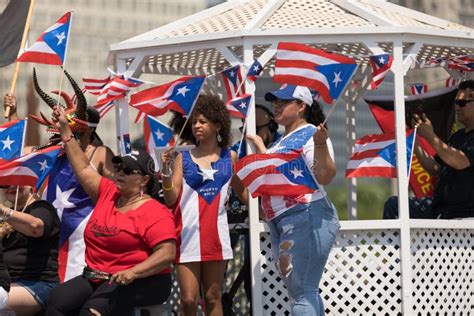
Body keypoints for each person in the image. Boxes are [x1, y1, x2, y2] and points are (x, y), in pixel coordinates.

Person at [45, 105, 177, 315]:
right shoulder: (108, 192)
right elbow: (82, 167)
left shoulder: (155, 211)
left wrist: (133, 272)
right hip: (98, 275)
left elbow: (167, 254)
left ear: (144, 179)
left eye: (127, 170)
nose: (120, 173)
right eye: (118, 168)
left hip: (144, 280)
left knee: (92, 311)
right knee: (55, 302)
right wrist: (65, 130)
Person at [246, 84, 340, 315]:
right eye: (274, 101)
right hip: (286, 220)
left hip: (306, 214)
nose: (276, 106)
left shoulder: (310, 134)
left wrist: (319, 144)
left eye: (283, 102)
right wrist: (261, 149)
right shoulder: (280, 142)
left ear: (301, 106)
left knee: (302, 293)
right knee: (305, 291)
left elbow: (325, 176)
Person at [161, 95, 247, 316]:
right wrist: (165, 173)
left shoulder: (231, 157)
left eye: (203, 121)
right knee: (189, 300)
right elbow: (171, 199)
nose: (197, 126)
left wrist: (264, 211)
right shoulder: (183, 158)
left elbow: (244, 193)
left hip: (216, 236)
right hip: (187, 235)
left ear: (217, 125)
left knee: (212, 297)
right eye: (194, 122)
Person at [384, 79, 474, 219]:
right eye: (456, 102)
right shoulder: (458, 136)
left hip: (465, 214)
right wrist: (414, 139)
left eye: (462, 103)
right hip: (440, 208)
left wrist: (430, 136)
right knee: (394, 205)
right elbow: (435, 168)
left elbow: (460, 161)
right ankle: (395, 242)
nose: (457, 107)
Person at [0, 185, 60, 315]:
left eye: (17, 181)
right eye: (4, 185)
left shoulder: (42, 207)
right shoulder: (4, 217)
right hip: (6, 283)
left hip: (37, 283)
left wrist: (5, 212)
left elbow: (36, 228)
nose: (10, 186)